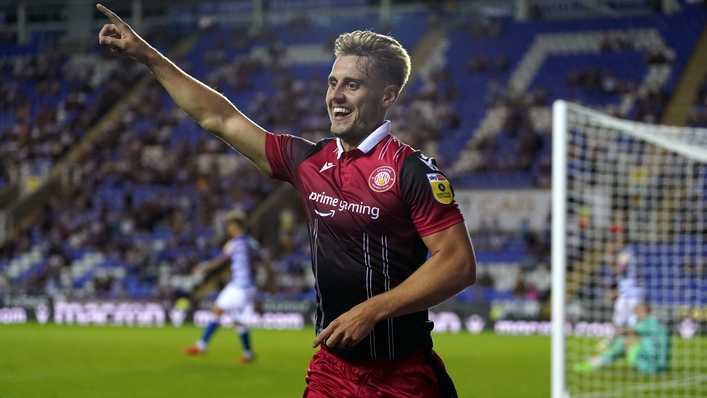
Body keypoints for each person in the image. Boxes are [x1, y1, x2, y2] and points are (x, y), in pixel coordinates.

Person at [97, 4, 476, 397]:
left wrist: (372, 310)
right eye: (332, 82)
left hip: (402, 376)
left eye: (352, 85)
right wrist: (148, 56)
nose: (336, 96)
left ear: (388, 95)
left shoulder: (410, 170)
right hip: (332, 370)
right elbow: (220, 118)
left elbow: (458, 264)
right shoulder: (309, 160)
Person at [183, 211, 259, 363]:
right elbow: (260, 261)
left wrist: (203, 268)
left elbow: (220, 261)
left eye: (230, 226)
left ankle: (201, 345)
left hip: (239, 285)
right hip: (248, 286)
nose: (228, 229)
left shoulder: (234, 243)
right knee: (238, 321)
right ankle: (248, 353)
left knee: (217, 310)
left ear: (236, 227)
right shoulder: (252, 242)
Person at [574, 302, 669, 374]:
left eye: (637, 311)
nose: (635, 314)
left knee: (622, 342)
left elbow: (627, 331)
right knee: (630, 340)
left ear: (647, 311)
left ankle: (596, 363)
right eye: (635, 312)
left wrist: (608, 341)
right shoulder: (655, 323)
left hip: (652, 366)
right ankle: (600, 360)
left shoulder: (649, 322)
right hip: (661, 365)